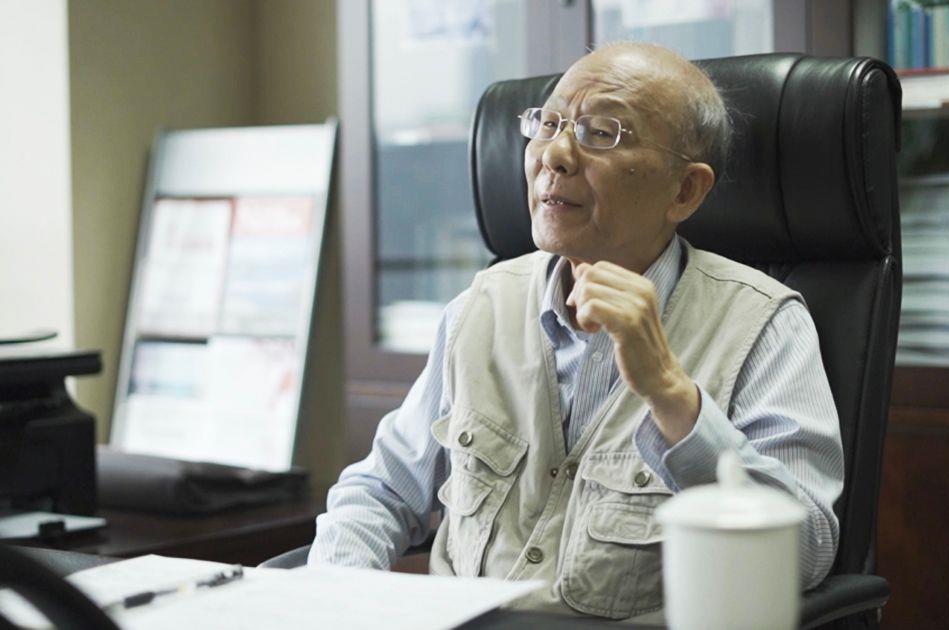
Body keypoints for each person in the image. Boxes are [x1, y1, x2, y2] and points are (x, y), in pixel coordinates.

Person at [309, 42, 844, 621]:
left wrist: (671, 394)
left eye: (602, 133)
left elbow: (806, 551)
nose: (556, 155)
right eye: (549, 124)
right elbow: (382, 491)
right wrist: (329, 601)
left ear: (685, 190)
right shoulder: (480, 306)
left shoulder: (761, 323)